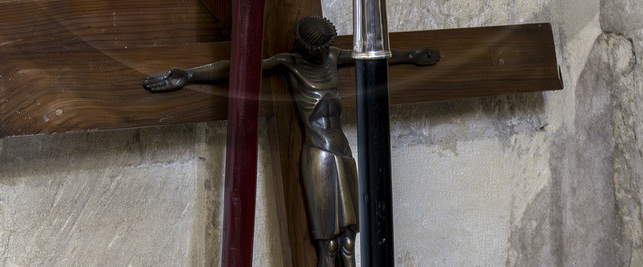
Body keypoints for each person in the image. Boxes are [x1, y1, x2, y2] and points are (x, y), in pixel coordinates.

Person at [144, 16, 440, 267]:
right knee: (330, 246)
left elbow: (374, 54)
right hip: (318, 154)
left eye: (323, 47)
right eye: (315, 48)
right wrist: (189, 75)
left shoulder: (334, 57)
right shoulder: (289, 63)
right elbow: (240, 68)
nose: (320, 52)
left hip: (342, 149)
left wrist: (412, 56)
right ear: (303, 45)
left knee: (349, 240)